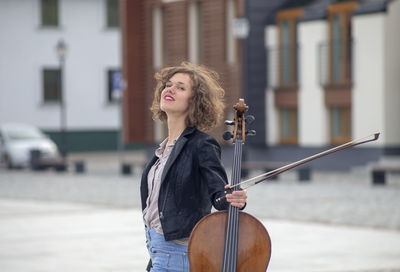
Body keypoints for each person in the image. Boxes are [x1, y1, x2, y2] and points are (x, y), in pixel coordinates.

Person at [140, 61, 247, 272]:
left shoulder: (201, 144)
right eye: (168, 85)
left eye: (180, 87)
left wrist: (233, 198)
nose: (169, 89)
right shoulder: (161, 151)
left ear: (194, 101)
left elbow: (219, 195)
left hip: (178, 255)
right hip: (157, 252)